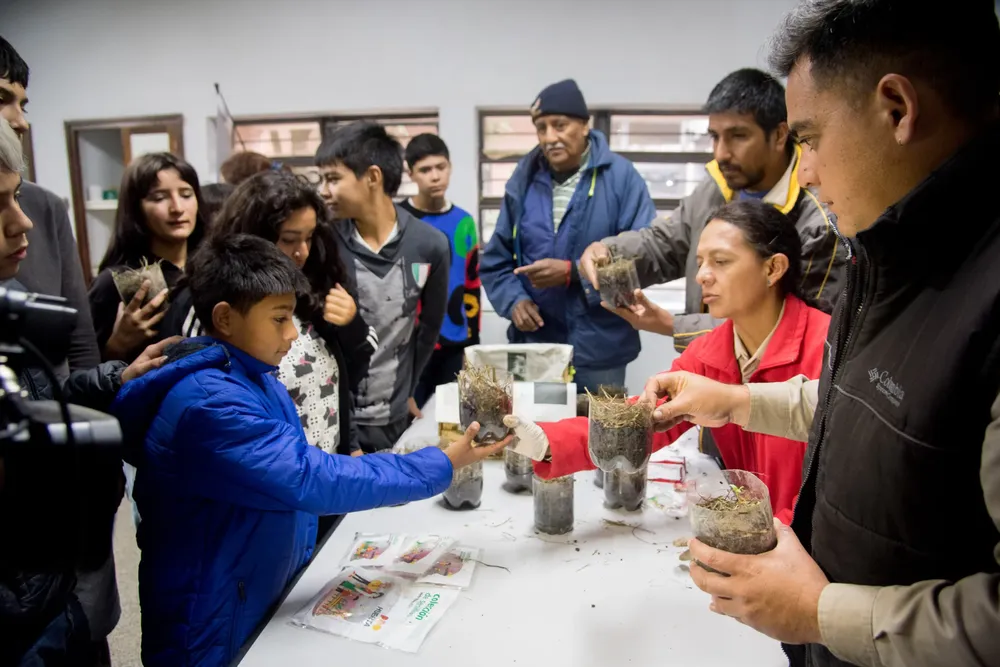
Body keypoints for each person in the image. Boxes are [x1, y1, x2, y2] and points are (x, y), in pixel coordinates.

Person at [643, 2, 1000, 666]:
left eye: (807, 138)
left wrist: (821, 612)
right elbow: (872, 409)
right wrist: (732, 401)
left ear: (897, 108)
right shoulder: (884, 253)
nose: (803, 173)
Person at [110, 234, 509, 667]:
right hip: (211, 623)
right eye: (279, 319)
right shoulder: (209, 402)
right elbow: (307, 478)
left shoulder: (250, 372)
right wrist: (441, 463)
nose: (292, 332)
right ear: (225, 318)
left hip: (252, 591)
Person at [507, 200, 830, 521]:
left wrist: (780, 535)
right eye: (700, 262)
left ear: (773, 268)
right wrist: (546, 442)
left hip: (814, 544)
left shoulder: (829, 349)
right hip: (755, 531)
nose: (702, 276)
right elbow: (641, 421)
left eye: (720, 261)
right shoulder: (710, 352)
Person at [0, 114, 176, 667]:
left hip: (54, 599)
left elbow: (41, 391)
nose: (22, 222)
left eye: (17, 198)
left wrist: (112, 374)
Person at [163, 171, 377, 546]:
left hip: (325, 477)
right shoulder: (208, 303)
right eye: (289, 239)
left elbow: (333, 378)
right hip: (268, 492)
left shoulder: (312, 284)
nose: (302, 252)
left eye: (309, 238)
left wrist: (350, 440)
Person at [579, 68, 843, 353]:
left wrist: (671, 324)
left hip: (772, 385)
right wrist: (609, 252)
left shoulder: (819, 219)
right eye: (715, 137)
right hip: (709, 366)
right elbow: (665, 243)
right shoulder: (715, 187)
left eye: (737, 136)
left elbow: (800, 329)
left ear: (779, 135)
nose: (721, 153)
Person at [480, 79, 656, 393]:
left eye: (560, 125)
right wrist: (514, 301)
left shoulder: (621, 179)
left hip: (601, 349)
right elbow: (496, 260)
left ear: (585, 126)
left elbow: (642, 258)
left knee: (602, 438)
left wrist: (573, 272)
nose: (550, 138)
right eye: (541, 128)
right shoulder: (523, 180)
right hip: (537, 347)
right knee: (537, 437)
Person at [316, 121, 450, 452]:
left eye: (333, 178)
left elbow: (429, 327)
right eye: (320, 179)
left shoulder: (430, 244)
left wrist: (407, 390)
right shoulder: (323, 243)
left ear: (373, 177)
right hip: (332, 416)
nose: (323, 190)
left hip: (393, 417)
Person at [0, 35, 101, 373]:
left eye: (23, 105)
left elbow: (79, 337)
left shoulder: (45, 206)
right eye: (1, 99)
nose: (21, 122)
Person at [88, 152, 206, 363]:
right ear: (136, 208)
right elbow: (84, 374)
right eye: (159, 198)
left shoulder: (209, 268)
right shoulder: (120, 280)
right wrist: (118, 344)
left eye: (186, 194)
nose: (177, 208)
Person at [400, 134, 480, 407]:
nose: (435, 176)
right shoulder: (397, 219)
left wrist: (473, 342)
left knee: (450, 421)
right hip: (408, 346)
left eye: (440, 167)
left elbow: (472, 282)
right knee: (408, 423)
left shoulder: (464, 222)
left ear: (450, 167)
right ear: (410, 173)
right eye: (425, 170)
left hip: (454, 343)